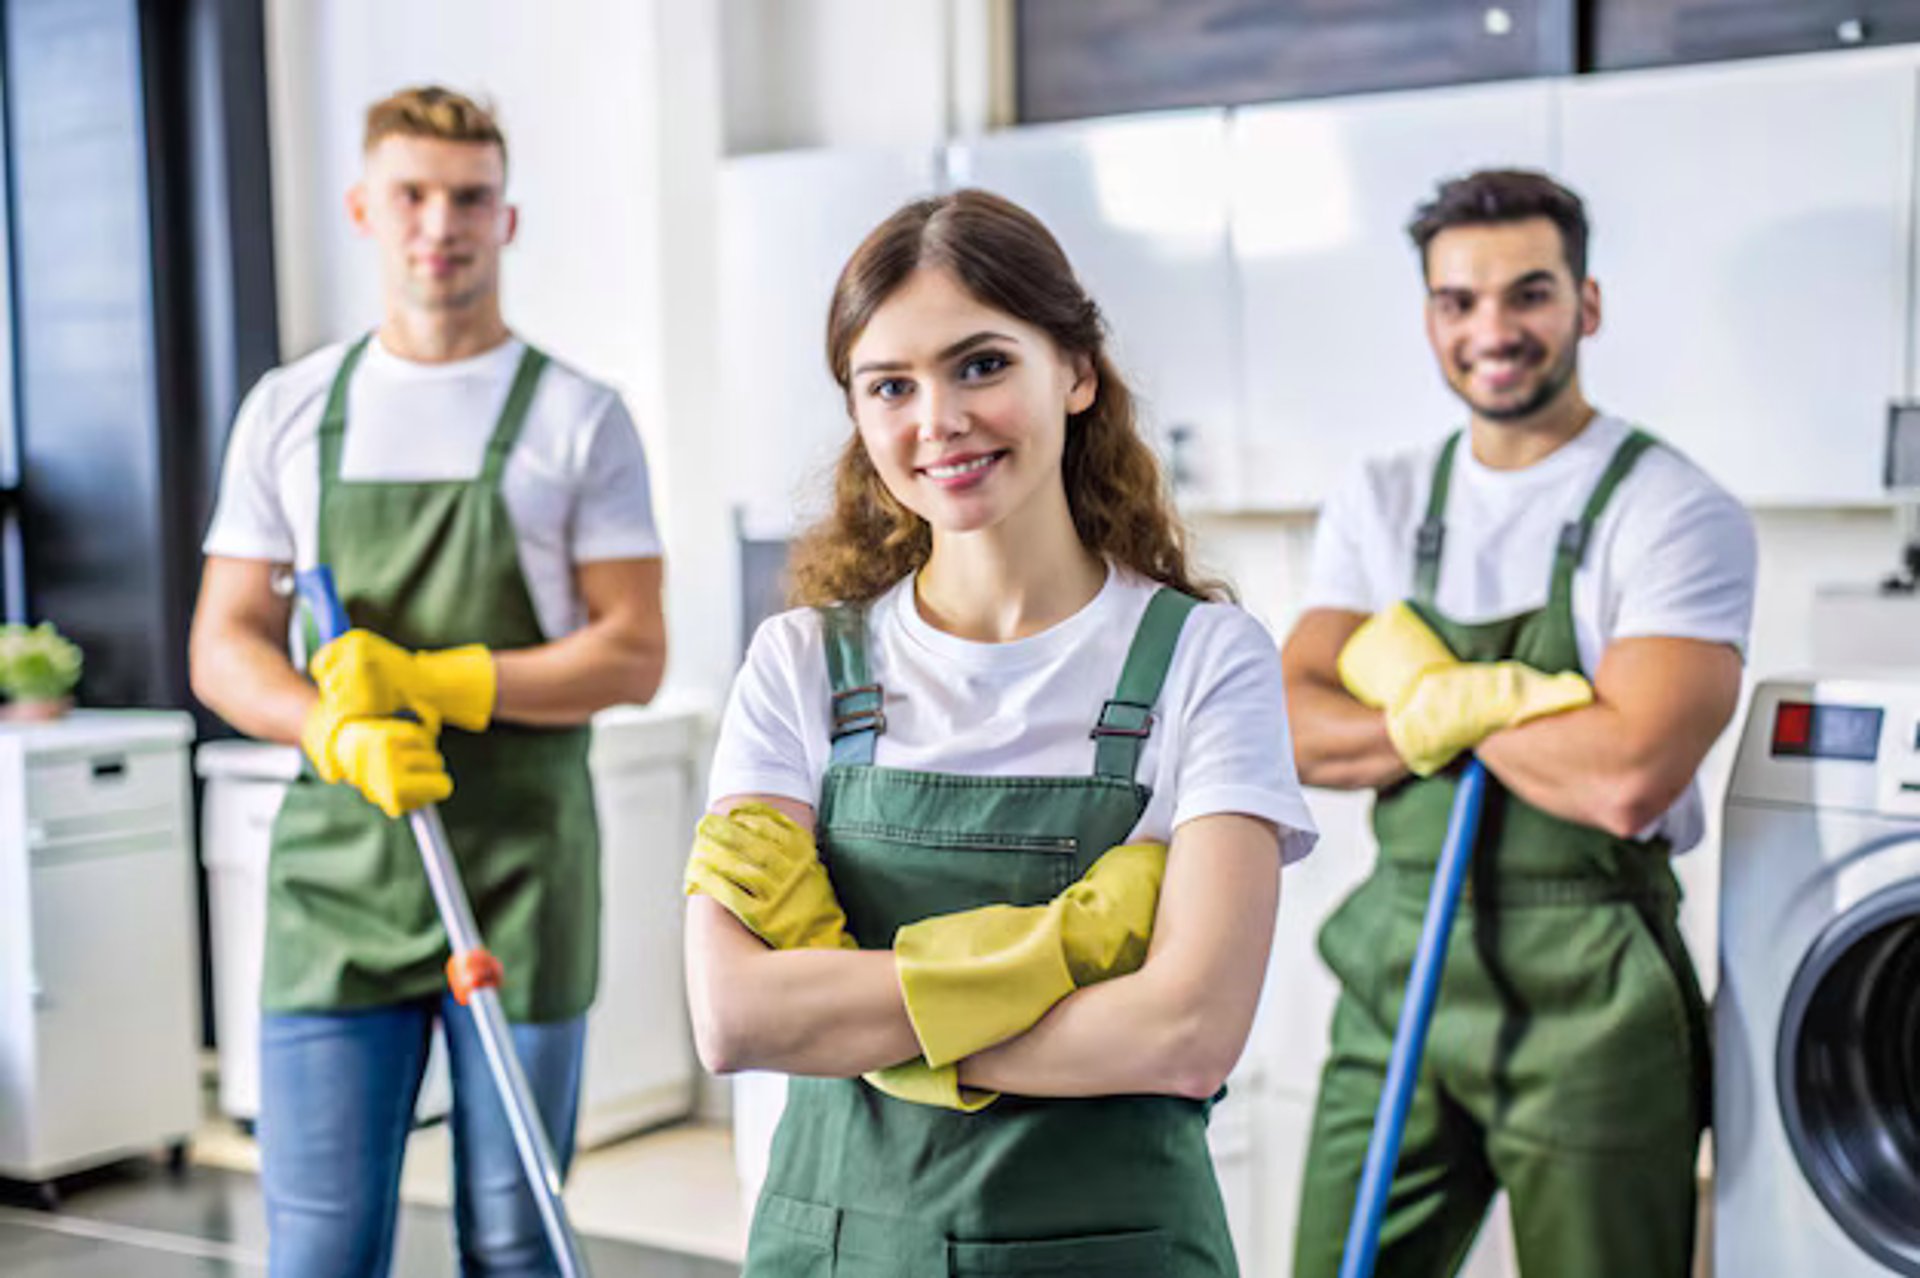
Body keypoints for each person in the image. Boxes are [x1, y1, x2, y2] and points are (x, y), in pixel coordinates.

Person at [682, 188, 1318, 1275]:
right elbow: (737, 1015)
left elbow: (1187, 1033)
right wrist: (1064, 963)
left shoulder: (1208, 660)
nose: (939, 420)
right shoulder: (799, 667)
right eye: (892, 386)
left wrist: (861, 1022)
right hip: (839, 1250)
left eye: (980, 364)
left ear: (1074, 371)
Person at [188, 85, 666, 1276]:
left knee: (515, 1245)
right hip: (337, 878)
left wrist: (444, 681)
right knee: (321, 1253)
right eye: (412, 194)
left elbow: (633, 650)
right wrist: (332, 730)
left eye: (469, 198)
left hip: (519, 872)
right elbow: (224, 642)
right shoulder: (289, 411)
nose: (438, 224)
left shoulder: (578, 418)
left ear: (506, 220)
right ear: (364, 206)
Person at [1283, 169, 1757, 1277]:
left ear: (1586, 304)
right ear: (1430, 317)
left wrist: (1425, 689)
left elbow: (1627, 775)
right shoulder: (1383, 496)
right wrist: (1520, 704)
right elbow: (1295, 732)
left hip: (1591, 987)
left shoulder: (1674, 513)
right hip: (1398, 974)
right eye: (1460, 301)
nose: (1493, 330)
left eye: (1529, 295)